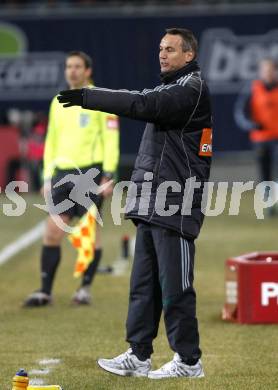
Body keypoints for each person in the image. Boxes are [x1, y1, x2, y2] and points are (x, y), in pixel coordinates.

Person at [58, 28, 212, 379]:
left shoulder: (191, 90)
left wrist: (90, 96)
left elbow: (141, 104)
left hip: (176, 203)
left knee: (176, 286)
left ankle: (189, 362)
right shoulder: (170, 87)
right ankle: (139, 355)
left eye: (171, 49)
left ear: (189, 55)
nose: (162, 54)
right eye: (160, 48)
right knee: (143, 285)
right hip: (151, 202)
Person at [24, 51, 119, 307]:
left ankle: (84, 289)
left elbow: (111, 139)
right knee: (53, 231)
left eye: (77, 66)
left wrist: (109, 175)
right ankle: (45, 291)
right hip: (60, 175)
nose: (72, 71)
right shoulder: (58, 101)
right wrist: (46, 177)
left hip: (91, 173)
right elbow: (51, 141)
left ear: (87, 71)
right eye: (69, 66)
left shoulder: (102, 99)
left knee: (88, 235)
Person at [235, 59, 278, 214]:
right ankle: (269, 204)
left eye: (271, 70)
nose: (268, 73)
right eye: (265, 70)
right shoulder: (253, 88)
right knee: (265, 173)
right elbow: (240, 113)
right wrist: (251, 124)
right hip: (261, 139)